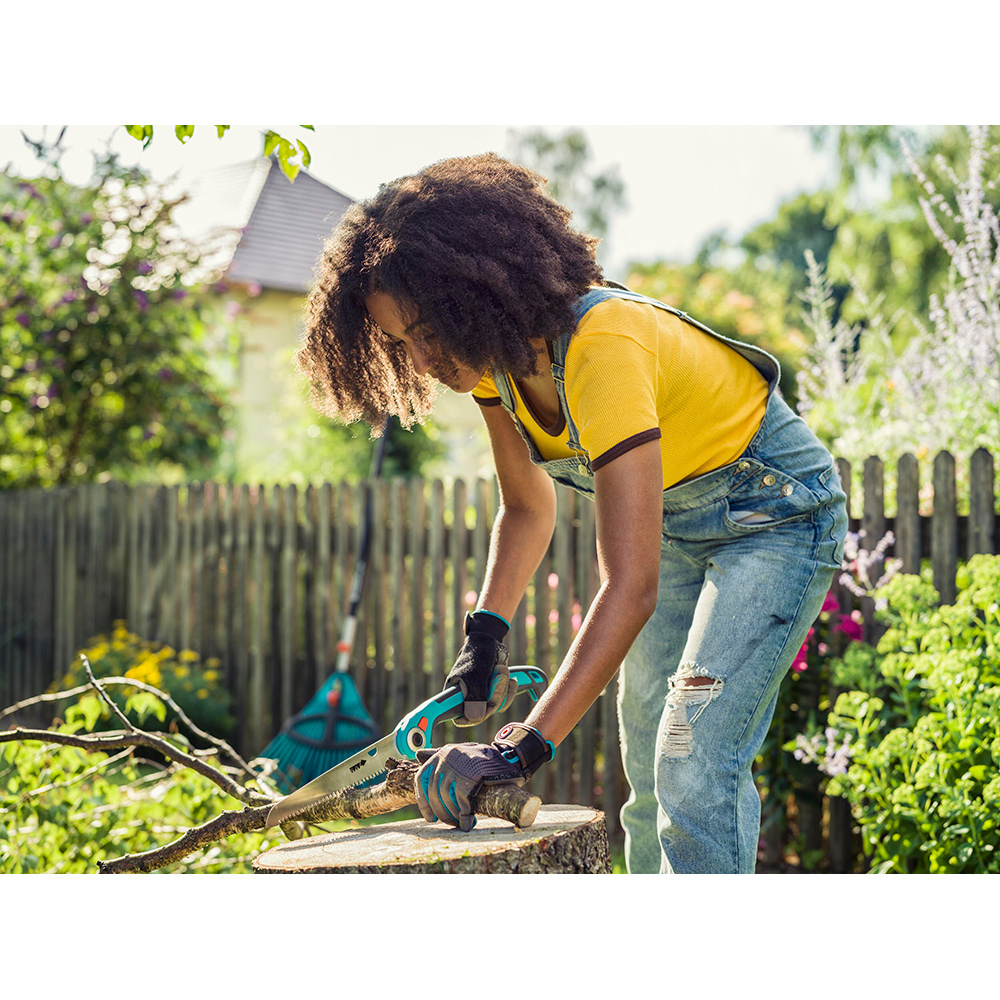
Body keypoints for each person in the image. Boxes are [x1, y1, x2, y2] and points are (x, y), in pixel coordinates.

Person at [296, 152, 848, 874]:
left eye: (428, 330)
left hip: (777, 518)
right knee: (648, 767)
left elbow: (631, 585)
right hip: (685, 527)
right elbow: (526, 509)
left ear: (475, 293)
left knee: (690, 757)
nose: (422, 359)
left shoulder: (602, 347)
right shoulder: (494, 370)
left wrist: (514, 749)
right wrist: (483, 640)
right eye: (402, 342)